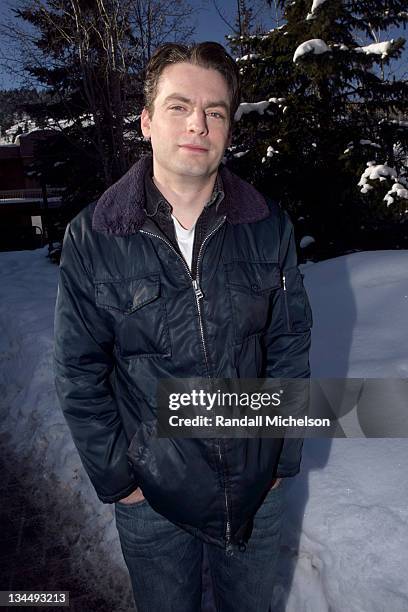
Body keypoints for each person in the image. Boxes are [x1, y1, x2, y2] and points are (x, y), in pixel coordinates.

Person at [53, 41, 312, 612]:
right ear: (146, 121)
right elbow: (78, 371)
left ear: (229, 128)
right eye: (179, 106)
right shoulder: (94, 237)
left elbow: (288, 347)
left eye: (215, 111)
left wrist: (282, 457)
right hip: (153, 500)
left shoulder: (269, 227)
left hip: (254, 487)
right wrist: (122, 481)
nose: (198, 122)